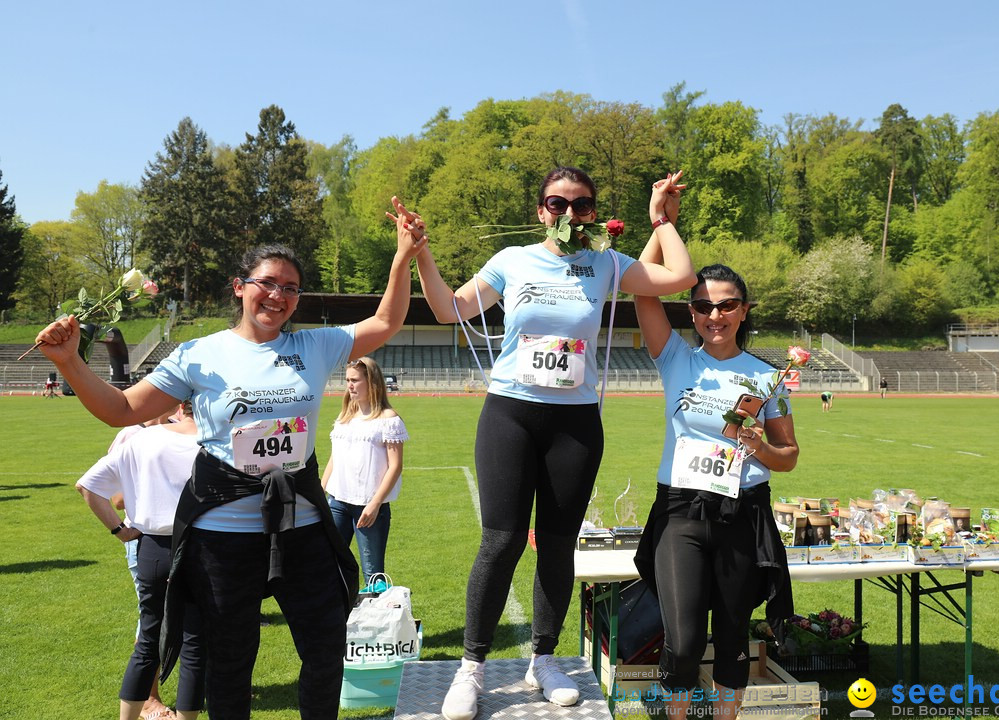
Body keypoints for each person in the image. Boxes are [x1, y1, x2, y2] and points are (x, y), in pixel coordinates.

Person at [33, 225, 426, 719]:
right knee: (230, 665)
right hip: (222, 537)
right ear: (240, 287)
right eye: (267, 282)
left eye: (289, 287)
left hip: (301, 528)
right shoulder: (199, 355)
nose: (277, 295)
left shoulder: (316, 346)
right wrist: (69, 362)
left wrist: (402, 257)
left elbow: (388, 319)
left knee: (326, 651)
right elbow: (121, 409)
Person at [395, 166, 695, 720]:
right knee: (501, 541)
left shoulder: (605, 263)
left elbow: (679, 275)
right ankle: (471, 668)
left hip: (575, 424)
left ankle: (544, 658)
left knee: (558, 545)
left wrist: (660, 217)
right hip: (510, 414)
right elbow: (449, 309)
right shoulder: (512, 260)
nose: (569, 214)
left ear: (592, 213)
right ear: (541, 211)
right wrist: (420, 255)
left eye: (582, 205)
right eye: (557, 204)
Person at [633, 233, 799, 719]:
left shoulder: (771, 378)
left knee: (731, 640)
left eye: (727, 306)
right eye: (703, 306)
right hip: (680, 512)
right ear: (691, 313)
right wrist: (662, 225)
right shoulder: (675, 358)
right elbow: (641, 288)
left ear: (744, 311)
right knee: (683, 643)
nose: (715, 316)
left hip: (742, 515)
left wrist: (759, 446)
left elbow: (787, 456)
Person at [76, 402, 204, 720]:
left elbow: (88, 486)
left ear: (179, 403)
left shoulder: (143, 438)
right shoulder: (217, 439)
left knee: (149, 638)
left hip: (151, 547)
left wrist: (120, 530)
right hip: (200, 546)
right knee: (193, 642)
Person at [321, 356, 408, 587]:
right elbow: (334, 458)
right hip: (337, 502)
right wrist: (320, 491)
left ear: (372, 382)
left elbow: (395, 466)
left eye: (355, 380)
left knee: (373, 574)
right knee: (329, 566)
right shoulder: (344, 417)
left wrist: (375, 503)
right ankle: (339, 620)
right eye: (347, 380)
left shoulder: (388, 419)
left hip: (369, 506)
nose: (350, 385)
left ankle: (377, 622)